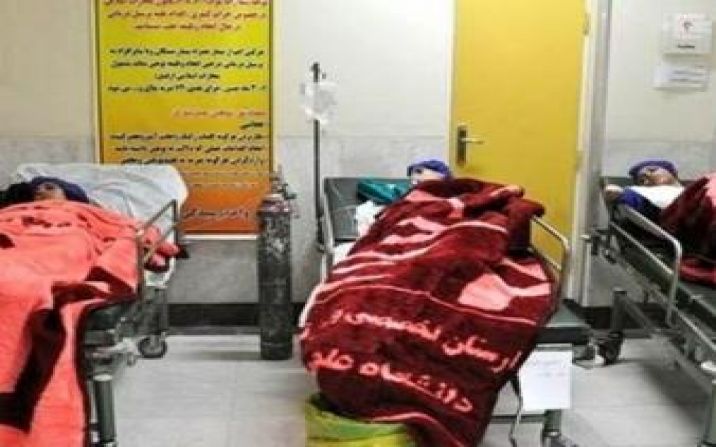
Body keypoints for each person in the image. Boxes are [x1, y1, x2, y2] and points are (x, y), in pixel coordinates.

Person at [604, 159, 684, 219]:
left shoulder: (688, 191)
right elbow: (612, 191)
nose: (648, 175)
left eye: (652, 170)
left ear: (673, 173)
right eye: (642, 180)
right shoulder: (645, 195)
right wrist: (617, 192)